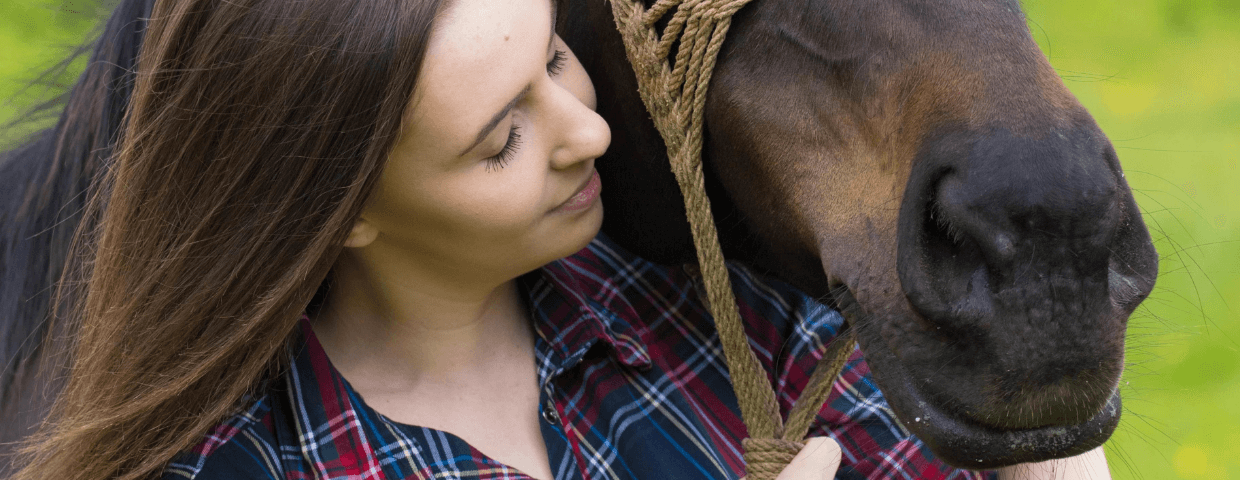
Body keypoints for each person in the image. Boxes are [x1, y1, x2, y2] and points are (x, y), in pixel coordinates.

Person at [1, 0, 1110, 478]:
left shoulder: (718, 322)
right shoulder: (241, 463)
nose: (588, 131)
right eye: (500, 140)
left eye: (555, 59)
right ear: (340, 211)